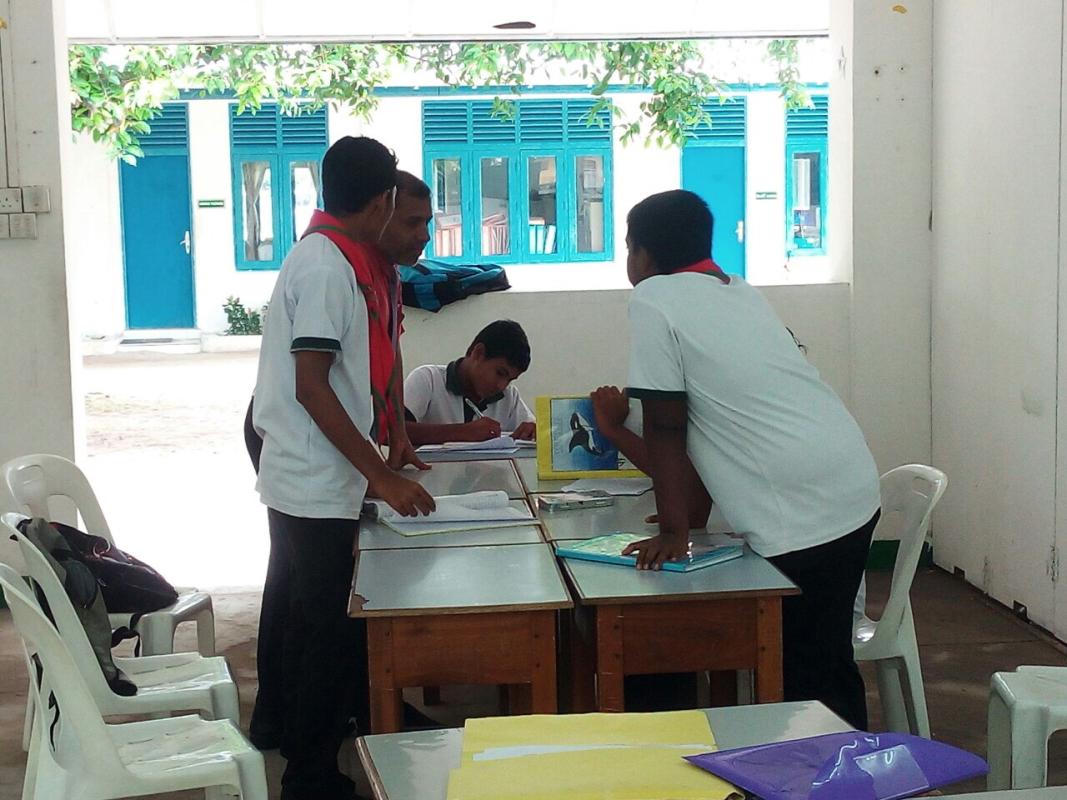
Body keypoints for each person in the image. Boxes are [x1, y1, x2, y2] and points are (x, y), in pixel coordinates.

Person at [619, 189, 881, 731]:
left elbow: (668, 425)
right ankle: (853, 773)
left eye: (627, 246)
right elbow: (718, 428)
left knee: (803, 676)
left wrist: (674, 531)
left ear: (642, 253)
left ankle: (822, 777)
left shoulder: (653, 299)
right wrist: (686, 517)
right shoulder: (738, 291)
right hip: (850, 483)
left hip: (801, 511)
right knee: (826, 663)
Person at [250, 135, 435, 800]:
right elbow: (313, 385)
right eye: (408, 215)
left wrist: (392, 443)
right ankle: (309, 773)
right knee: (319, 632)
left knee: (325, 624)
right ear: (383, 200)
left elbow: (362, 371)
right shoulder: (328, 265)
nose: (417, 232)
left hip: (326, 472)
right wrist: (381, 476)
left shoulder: (346, 256)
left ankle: (338, 727)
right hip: (312, 477)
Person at [404, 319, 537, 444]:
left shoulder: (509, 396)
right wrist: (462, 432)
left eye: (510, 380)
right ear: (478, 353)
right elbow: (389, 432)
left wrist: (534, 432)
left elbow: (532, 428)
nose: (501, 386)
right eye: (500, 373)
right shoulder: (428, 379)